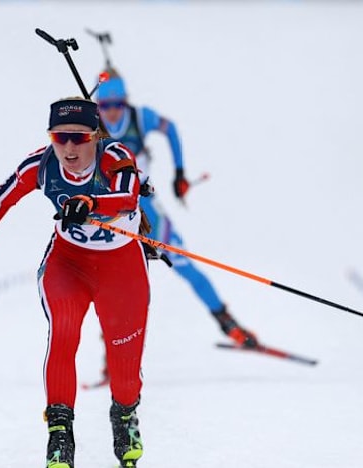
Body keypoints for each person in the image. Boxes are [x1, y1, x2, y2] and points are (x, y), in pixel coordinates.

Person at [0, 97, 147, 468]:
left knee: (125, 369)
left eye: (79, 138)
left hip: (122, 270)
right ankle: (60, 434)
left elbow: (129, 196)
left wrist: (89, 202)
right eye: (60, 137)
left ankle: (125, 414)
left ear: (95, 136)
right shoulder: (43, 164)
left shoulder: (115, 157)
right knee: (64, 332)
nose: (69, 147)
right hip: (70, 264)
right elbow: (2, 198)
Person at [95, 70, 259, 348]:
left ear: (125, 102)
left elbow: (169, 129)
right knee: (114, 284)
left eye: (117, 105)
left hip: (145, 207)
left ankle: (227, 322)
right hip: (112, 211)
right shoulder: (94, 124)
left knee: (184, 264)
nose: (111, 112)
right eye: (105, 106)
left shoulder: (139, 118)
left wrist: (179, 172)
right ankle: (112, 355)